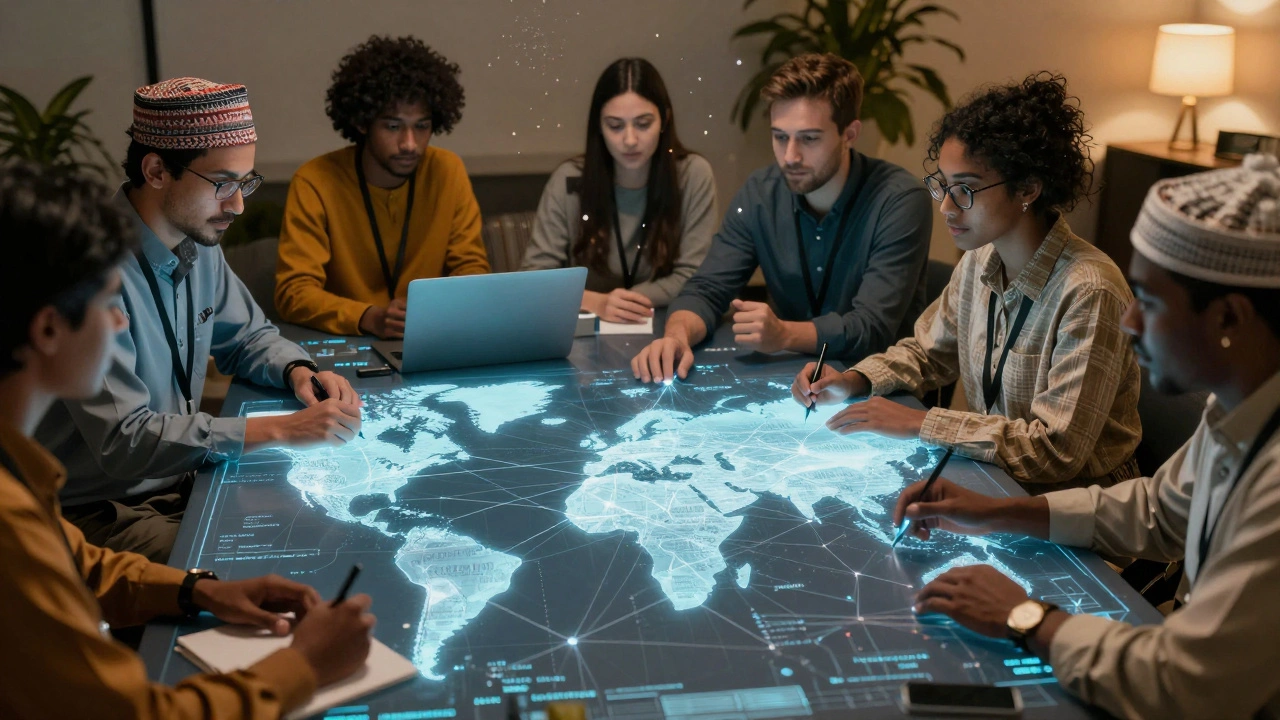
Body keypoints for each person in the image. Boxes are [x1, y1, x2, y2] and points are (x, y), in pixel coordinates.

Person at [895, 154, 1280, 719]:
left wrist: (1027, 617)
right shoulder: (1239, 404)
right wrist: (996, 512)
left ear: (1228, 318)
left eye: (1147, 303)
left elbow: (1186, 684)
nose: (1129, 323)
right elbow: (1159, 510)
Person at [0, 158, 376, 719]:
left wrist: (196, 590)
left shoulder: (18, 477)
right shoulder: (9, 521)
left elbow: (78, 562)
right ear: (50, 329)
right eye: (109, 305)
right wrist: (304, 666)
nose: (123, 324)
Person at [35, 78, 364, 563]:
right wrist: (283, 430)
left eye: (245, 182)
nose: (238, 204)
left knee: (333, 536)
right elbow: (124, 441)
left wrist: (301, 373)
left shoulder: (197, 238)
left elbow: (248, 336)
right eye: (222, 184)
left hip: (185, 481)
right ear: (156, 171)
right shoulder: (90, 267)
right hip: (99, 513)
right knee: (254, 565)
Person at [793, 73, 1140, 491]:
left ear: (1028, 188)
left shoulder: (1089, 290)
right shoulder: (979, 260)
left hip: (1083, 506)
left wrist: (923, 422)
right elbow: (928, 353)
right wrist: (852, 380)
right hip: (999, 481)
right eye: (943, 185)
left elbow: (1056, 451)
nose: (946, 208)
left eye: (966, 190)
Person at [631, 52, 931, 383]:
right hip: (791, 382)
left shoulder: (900, 200)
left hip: (877, 389)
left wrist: (784, 334)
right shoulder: (761, 193)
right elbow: (707, 289)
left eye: (809, 139)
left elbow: (872, 328)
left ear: (849, 134)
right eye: (780, 136)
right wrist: (676, 337)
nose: (790, 156)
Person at [275, 35, 490, 337]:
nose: (410, 144)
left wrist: (445, 311)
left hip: (432, 336)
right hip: (347, 341)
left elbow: (472, 269)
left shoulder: (447, 170)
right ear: (363, 123)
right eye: (393, 126)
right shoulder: (315, 181)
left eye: (422, 126)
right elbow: (293, 293)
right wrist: (368, 317)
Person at [521, 58, 718, 323]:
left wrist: (624, 303)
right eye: (615, 126)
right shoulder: (569, 179)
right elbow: (535, 277)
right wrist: (597, 302)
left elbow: (695, 275)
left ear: (665, 120)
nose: (629, 140)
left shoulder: (693, 175)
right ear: (598, 127)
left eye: (643, 123)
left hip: (669, 322)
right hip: (584, 330)